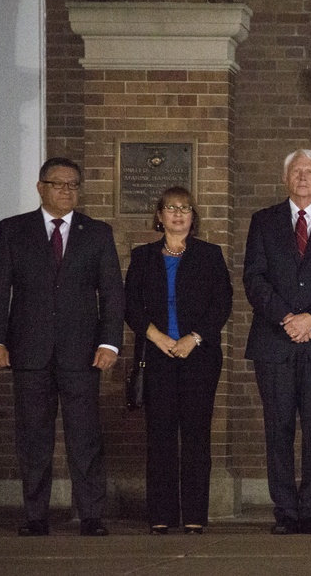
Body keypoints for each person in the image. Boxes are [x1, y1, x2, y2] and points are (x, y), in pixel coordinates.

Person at [0, 157, 125, 537]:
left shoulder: (97, 232)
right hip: (28, 350)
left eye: (73, 184)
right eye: (58, 184)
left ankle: (91, 514)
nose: (67, 190)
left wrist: (110, 342)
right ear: (40, 187)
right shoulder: (13, 230)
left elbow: (111, 293)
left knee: (85, 435)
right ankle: (35, 516)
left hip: (83, 352)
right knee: (33, 437)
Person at [243, 149, 311, 535]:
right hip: (274, 341)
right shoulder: (263, 221)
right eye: (296, 171)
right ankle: (285, 511)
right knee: (277, 428)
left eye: (310, 172)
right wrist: (287, 318)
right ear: (286, 178)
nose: (303, 177)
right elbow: (253, 278)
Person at [124, 187, 233, 535]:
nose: (178, 214)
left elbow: (222, 304)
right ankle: (161, 514)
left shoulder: (210, 255)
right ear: (159, 216)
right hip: (156, 357)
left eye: (185, 208)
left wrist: (194, 338)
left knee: (197, 437)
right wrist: (156, 337)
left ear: (193, 216)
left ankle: (195, 515)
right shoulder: (143, 257)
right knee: (160, 437)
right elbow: (129, 307)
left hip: (199, 357)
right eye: (171, 208)